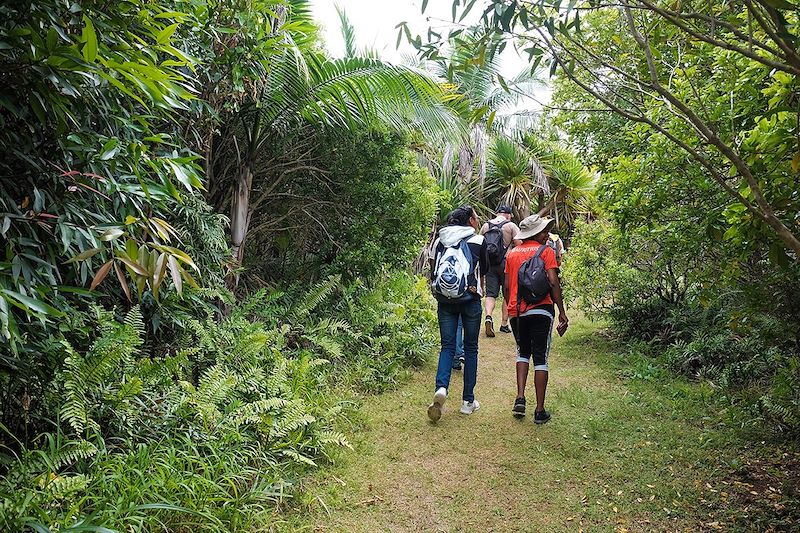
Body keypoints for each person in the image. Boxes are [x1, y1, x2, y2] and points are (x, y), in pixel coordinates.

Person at [504, 214, 569, 424]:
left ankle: (520, 398)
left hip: (517, 313)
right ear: (535, 233)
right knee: (540, 357)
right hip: (541, 310)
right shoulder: (546, 252)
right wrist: (561, 311)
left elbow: (506, 287)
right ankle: (539, 411)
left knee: (522, 353)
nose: (547, 234)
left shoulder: (512, 254)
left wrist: (512, 307)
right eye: (544, 231)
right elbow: (553, 282)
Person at [428, 205, 488, 421]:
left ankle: (442, 388)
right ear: (470, 220)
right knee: (471, 348)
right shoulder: (479, 240)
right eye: (476, 217)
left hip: (445, 301)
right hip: (471, 300)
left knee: (447, 346)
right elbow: (486, 269)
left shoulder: (440, 240)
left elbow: (432, 271)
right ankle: (467, 402)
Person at [479, 205, 520, 337]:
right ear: (508, 215)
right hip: (506, 263)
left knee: (491, 294)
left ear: (497, 213)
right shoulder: (511, 226)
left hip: (490, 263)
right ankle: (504, 324)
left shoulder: (486, 226)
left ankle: (489, 317)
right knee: (507, 292)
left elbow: (479, 243)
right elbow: (519, 244)